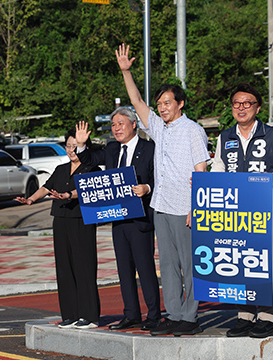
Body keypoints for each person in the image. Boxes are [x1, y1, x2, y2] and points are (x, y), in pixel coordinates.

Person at [116, 44, 210, 336]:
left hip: (186, 207)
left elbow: (201, 172)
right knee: (168, 265)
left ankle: (190, 317)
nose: (162, 108)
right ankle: (174, 313)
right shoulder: (158, 128)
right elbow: (137, 101)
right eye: (160, 105)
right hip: (162, 205)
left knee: (189, 264)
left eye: (168, 103)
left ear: (180, 103)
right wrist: (126, 72)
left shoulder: (193, 130)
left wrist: (197, 208)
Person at [211, 84, 273, 338]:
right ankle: (245, 315)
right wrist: (205, 183)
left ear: (257, 108)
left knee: (266, 264)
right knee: (241, 262)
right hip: (235, 214)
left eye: (247, 103)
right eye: (236, 103)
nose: (241, 108)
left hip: (267, 212)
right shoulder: (225, 137)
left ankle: (269, 317)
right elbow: (218, 167)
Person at [75, 107, 161, 331]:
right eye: (113, 125)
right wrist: (82, 145)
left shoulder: (150, 148)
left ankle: (153, 314)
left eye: (121, 123)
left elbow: (159, 177)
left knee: (145, 269)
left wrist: (147, 187)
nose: (116, 128)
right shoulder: (112, 149)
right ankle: (131, 313)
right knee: (124, 269)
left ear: (134, 124)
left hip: (141, 218)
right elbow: (90, 160)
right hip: (118, 218)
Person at [15, 129, 101, 329]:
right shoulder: (61, 169)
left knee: (84, 266)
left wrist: (69, 195)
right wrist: (30, 200)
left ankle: (89, 315)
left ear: (84, 147)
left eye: (75, 146)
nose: (72, 150)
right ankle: (70, 314)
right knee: (64, 268)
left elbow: (85, 190)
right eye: (69, 146)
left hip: (82, 220)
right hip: (61, 220)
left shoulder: (92, 169)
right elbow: (46, 187)